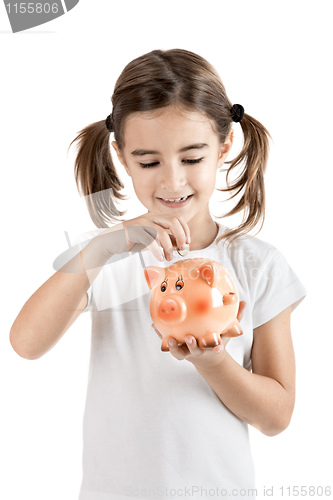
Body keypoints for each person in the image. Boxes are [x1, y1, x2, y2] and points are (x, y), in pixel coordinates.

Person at [10, 49, 306, 500]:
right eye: (148, 162)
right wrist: (103, 247)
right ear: (122, 157)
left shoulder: (256, 264)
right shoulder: (104, 258)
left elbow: (276, 417)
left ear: (224, 147)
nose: (172, 181)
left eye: (191, 158)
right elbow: (25, 344)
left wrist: (213, 362)